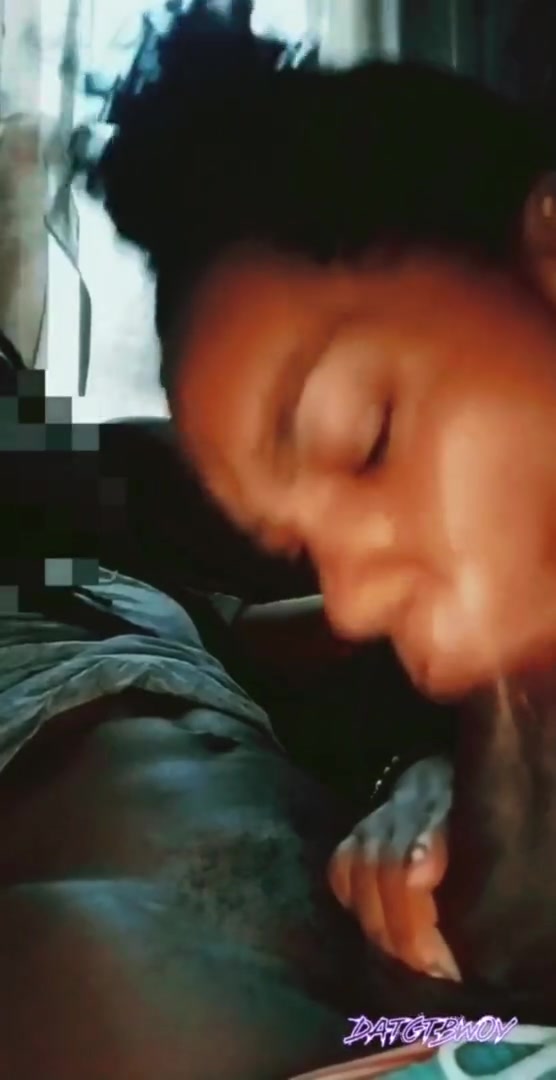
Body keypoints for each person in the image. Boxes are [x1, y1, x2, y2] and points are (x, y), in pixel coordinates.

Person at [83, 0, 556, 1058]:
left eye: (362, 438)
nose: (350, 600)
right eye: (299, 547)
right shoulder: (495, 720)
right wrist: (419, 788)